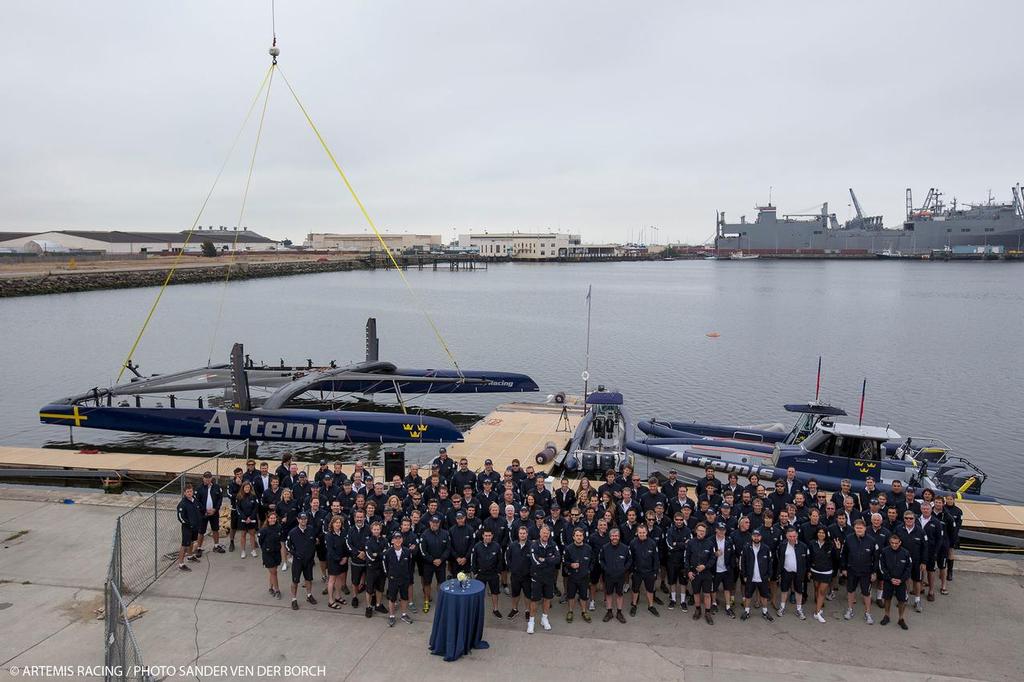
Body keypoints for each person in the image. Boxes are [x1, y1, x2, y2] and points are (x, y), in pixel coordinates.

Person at [842, 518, 877, 624]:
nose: (859, 529)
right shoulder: (848, 539)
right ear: (854, 528)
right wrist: (843, 568)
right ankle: (850, 610)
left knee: (866, 593)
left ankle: (868, 613)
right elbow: (844, 555)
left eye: (861, 528)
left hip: (866, 571)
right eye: (857, 527)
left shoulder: (871, 540)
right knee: (850, 591)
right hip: (852, 570)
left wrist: (874, 572)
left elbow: (876, 558)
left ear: (865, 528)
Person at [527, 524, 560, 634]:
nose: (545, 535)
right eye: (543, 532)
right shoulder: (534, 545)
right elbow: (535, 561)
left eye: (547, 533)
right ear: (540, 533)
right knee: (535, 600)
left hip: (549, 577)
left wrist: (544, 560)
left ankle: (544, 619)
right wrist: (549, 560)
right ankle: (531, 622)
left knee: (547, 598)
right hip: (537, 577)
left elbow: (558, 559)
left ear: (549, 534)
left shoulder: (553, 544)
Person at [895, 510, 928, 613]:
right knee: (904, 580)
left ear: (914, 519)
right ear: (903, 519)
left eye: (911, 518)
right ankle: (904, 597)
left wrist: (923, 562)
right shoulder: (898, 529)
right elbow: (894, 544)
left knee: (917, 581)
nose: (908, 520)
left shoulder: (921, 531)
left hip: (916, 561)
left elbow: (925, 548)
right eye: (906, 518)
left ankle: (917, 601)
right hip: (902, 560)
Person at [739, 527, 774, 621]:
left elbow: (770, 563)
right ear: (752, 537)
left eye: (758, 536)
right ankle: (746, 611)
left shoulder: (766, 548)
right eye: (754, 536)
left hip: (763, 577)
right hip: (750, 577)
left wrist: (769, 575)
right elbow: (742, 562)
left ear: (761, 537)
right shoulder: (746, 548)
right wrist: (744, 575)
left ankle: (765, 612)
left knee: (764, 596)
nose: (756, 538)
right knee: (748, 595)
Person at [879, 532, 912, 630]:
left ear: (900, 542)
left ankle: (901, 619)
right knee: (887, 598)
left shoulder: (906, 553)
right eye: (892, 543)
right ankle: (886, 616)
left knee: (902, 600)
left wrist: (901, 580)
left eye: (896, 543)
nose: (894, 545)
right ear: (889, 542)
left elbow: (909, 568)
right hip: (888, 580)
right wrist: (890, 578)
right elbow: (882, 566)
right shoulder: (884, 551)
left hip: (901, 582)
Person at [419, 514, 451, 614]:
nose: (435, 524)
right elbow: (422, 551)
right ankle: (426, 601)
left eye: (437, 523)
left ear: (439, 523)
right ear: (430, 523)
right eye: (433, 522)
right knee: (427, 583)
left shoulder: (445, 533)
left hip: (441, 564)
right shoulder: (424, 534)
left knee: (441, 583)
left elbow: (448, 549)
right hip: (428, 564)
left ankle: (441, 602)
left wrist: (441, 559)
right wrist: (432, 560)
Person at [286, 512, 318, 610]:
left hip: (308, 560)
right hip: (298, 561)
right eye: (301, 519)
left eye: (305, 519)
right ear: (298, 519)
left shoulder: (311, 530)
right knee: (295, 581)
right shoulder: (293, 532)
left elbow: (315, 541)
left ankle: (309, 595)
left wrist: (312, 554)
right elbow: (288, 545)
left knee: (309, 579)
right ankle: (294, 599)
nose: (303, 520)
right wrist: (295, 554)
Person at [686, 522, 716, 625]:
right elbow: (687, 558)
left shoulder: (710, 543)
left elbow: (713, 558)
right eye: (699, 530)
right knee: (696, 593)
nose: (701, 533)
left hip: (707, 573)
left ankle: (707, 613)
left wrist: (705, 566)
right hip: (694, 573)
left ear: (705, 532)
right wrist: (688, 571)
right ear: (696, 531)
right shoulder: (690, 543)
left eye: (703, 531)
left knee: (707, 594)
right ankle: (698, 610)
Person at [776, 527, 809, 620]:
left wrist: (806, 572)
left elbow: (807, 560)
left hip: (799, 572)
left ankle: (799, 609)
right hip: (786, 571)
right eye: (790, 536)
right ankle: (782, 607)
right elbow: (780, 559)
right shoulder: (782, 545)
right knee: (784, 590)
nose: (792, 538)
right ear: (786, 536)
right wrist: (779, 572)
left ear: (797, 536)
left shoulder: (803, 546)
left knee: (799, 591)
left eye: (794, 536)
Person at [599, 527, 631, 624]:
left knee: (619, 594)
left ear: (619, 536)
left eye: (616, 535)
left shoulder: (625, 548)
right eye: (613, 536)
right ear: (610, 537)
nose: (614, 537)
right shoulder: (605, 548)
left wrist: (624, 569)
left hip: (620, 576)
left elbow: (629, 560)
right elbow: (601, 560)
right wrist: (606, 569)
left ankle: (619, 612)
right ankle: (609, 612)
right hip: (608, 575)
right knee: (608, 594)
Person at [384, 531, 415, 627]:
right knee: (392, 598)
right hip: (393, 579)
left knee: (404, 597)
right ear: (392, 540)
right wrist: (389, 576)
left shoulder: (407, 551)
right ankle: (392, 616)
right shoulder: (388, 553)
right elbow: (385, 566)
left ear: (402, 539)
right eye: (395, 538)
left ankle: (404, 615)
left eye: (399, 538)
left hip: (404, 579)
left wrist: (408, 576)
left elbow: (410, 565)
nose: (398, 540)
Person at [628, 524, 660, 617]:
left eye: (643, 532)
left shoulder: (652, 543)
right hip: (637, 572)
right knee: (635, 589)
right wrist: (632, 571)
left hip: (649, 572)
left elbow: (656, 559)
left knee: (650, 590)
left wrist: (655, 572)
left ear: (647, 532)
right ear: (637, 533)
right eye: (640, 532)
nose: (642, 534)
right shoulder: (633, 543)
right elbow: (630, 558)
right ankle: (634, 605)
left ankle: (651, 606)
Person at [471, 527, 504, 618]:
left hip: (493, 574)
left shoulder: (496, 546)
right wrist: (475, 572)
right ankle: (478, 610)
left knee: (495, 593)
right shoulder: (477, 546)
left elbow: (500, 561)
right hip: (481, 574)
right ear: (483, 536)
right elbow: (473, 561)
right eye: (486, 535)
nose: (488, 537)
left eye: (489, 535)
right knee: (479, 593)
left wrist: (498, 573)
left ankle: (495, 609)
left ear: (492, 536)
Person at [808, 526, 838, 623]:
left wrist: (838, 549)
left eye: (823, 533)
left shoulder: (831, 545)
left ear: (826, 534)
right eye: (819, 532)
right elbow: (809, 557)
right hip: (815, 571)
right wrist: (808, 570)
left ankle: (817, 613)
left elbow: (836, 559)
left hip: (826, 572)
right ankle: (819, 607)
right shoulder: (812, 543)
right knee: (816, 589)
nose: (821, 534)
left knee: (821, 591)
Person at [194, 471, 225, 557]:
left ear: (211, 478)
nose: (207, 479)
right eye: (206, 477)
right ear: (203, 478)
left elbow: (220, 499)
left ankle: (216, 546)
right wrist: (204, 511)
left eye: (209, 477)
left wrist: (215, 509)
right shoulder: (199, 489)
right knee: (201, 531)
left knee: (215, 529)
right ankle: (199, 548)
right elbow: (197, 502)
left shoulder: (217, 487)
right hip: (203, 514)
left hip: (214, 513)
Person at [665, 512, 690, 612]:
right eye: (677, 520)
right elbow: (670, 545)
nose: (679, 522)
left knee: (683, 582)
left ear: (683, 520)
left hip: (683, 560)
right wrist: (682, 544)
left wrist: (677, 544)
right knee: (672, 581)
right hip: (672, 560)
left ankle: (683, 601)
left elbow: (689, 545)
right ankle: (673, 599)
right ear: (674, 520)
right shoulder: (670, 531)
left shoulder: (688, 530)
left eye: (681, 520)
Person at [506, 525, 532, 620]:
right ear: (518, 534)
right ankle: (514, 609)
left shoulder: (532, 546)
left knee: (527, 595)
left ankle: (527, 611)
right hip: (515, 575)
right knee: (515, 594)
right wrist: (512, 568)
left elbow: (534, 560)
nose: (522, 535)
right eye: (520, 533)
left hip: (527, 576)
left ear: (527, 534)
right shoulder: (512, 545)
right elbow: (507, 558)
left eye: (524, 533)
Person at [363, 521, 388, 618]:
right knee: (369, 589)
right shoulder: (368, 542)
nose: (376, 531)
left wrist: (377, 554)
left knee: (380, 588)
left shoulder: (385, 541)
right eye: (375, 529)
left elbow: (387, 553)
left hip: (382, 568)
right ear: (371, 530)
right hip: (371, 569)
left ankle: (378, 605)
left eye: (378, 529)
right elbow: (370, 557)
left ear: (380, 530)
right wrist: (380, 554)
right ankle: (368, 607)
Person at [346, 509, 370, 609]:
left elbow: (372, 542)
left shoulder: (369, 529)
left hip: (367, 560)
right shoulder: (351, 530)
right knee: (355, 581)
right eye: (357, 517)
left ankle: (370, 598)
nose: (359, 519)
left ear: (364, 517)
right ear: (354, 518)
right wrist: (357, 553)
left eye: (361, 517)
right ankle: (355, 597)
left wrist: (365, 552)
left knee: (369, 581)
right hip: (355, 560)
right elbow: (348, 544)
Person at [176, 483, 202, 571]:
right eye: (188, 492)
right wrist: (189, 524)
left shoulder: (194, 500)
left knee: (191, 542)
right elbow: (180, 517)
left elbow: (199, 510)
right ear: (184, 493)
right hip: (187, 528)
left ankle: (190, 556)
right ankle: (181, 564)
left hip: (195, 526)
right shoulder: (182, 504)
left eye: (191, 491)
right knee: (184, 545)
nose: (190, 493)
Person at [257, 510, 283, 599]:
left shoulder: (279, 527)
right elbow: (260, 541)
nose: (273, 519)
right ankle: (277, 590)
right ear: (268, 519)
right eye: (271, 518)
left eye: (274, 518)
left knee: (273, 572)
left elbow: (280, 538)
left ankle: (270, 588)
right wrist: (265, 548)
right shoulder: (263, 530)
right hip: (268, 554)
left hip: (276, 553)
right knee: (274, 572)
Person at [325, 514, 348, 609]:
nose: (338, 524)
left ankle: (338, 596)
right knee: (332, 580)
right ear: (332, 524)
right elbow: (330, 550)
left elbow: (346, 546)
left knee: (339, 579)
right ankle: (330, 600)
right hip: (333, 561)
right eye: (336, 522)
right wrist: (339, 559)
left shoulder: (344, 533)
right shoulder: (329, 535)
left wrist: (346, 557)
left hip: (343, 559)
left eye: (339, 523)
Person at [235, 481, 260, 559]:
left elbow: (256, 508)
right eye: (245, 487)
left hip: (251, 519)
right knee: (243, 535)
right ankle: (243, 551)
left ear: (250, 488)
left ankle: (253, 550)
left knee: (252, 534)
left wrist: (251, 518)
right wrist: (245, 518)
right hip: (243, 520)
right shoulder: (239, 497)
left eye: (248, 487)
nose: (247, 489)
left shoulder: (254, 496)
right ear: (243, 488)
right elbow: (238, 509)